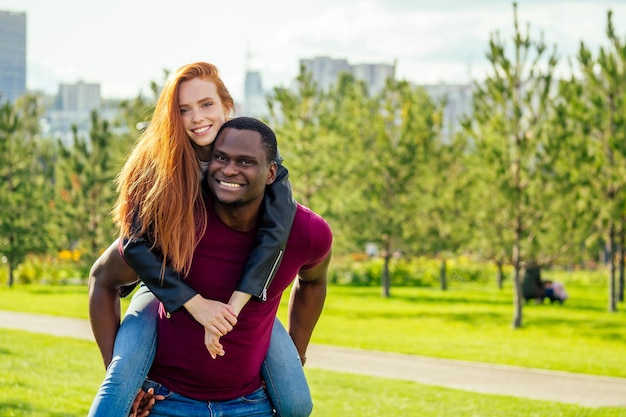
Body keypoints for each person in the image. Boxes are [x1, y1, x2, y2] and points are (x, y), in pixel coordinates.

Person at [87, 62, 310, 417]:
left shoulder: (255, 154)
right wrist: (196, 305)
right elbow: (134, 243)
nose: (196, 118)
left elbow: (274, 239)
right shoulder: (156, 164)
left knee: (298, 403)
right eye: (183, 109)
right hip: (162, 284)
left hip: (239, 296)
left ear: (227, 105)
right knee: (113, 400)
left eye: (206, 104)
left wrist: (230, 311)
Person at [141, 116, 332, 416]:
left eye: (245, 162)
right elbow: (106, 275)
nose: (229, 169)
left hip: (252, 404)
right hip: (166, 400)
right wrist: (130, 385)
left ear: (271, 172)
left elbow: (314, 281)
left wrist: (296, 355)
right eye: (221, 157)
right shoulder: (178, 218)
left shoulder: (307, 232)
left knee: (299, 406)